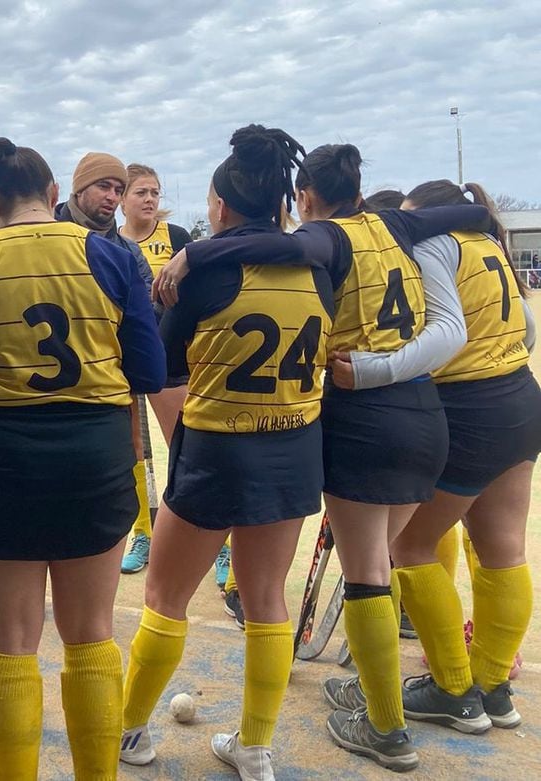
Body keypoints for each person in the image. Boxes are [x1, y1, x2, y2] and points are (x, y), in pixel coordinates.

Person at [155, 144, 490, 773]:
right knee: (388, 563)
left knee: (365, 572)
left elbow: (280, 248)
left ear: (305, 197)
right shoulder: (399, 222)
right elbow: (463, 220)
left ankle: (386, 726)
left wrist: (195, 251)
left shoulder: (323, 239)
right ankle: (431, 691)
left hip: (362, 413)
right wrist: (484, 218)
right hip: (426, 412)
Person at [0, 137, 165, 779]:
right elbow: (148, 369)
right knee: (90, 636)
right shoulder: (111, 260)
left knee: (10, 647)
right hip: (96, 460)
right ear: (55, 197)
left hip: (1, 465)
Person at [118, 125, 330, 781]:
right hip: (293, 447)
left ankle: (127, 731)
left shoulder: (204, 273)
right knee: (266, 596)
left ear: (217, 207)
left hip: (215, 450)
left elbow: (159, 365)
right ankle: (255, 746)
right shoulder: (320, 263)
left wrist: (184, 272)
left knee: (164, 594)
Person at [354, 180, 537, 734]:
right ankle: (493, 688)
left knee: (409, 546)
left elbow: (447, 335)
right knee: (503, 547)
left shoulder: (438, 244)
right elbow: (527, 329)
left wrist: (373, 369)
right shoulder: (487, 242)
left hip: (470, 409)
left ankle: (453, 688)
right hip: (520, 398)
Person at [54, 152, 159, 576]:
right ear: (79, 187)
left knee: (132, 455)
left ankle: (142, 533)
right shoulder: (47, 233)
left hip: (110, 377)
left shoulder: (126, 251)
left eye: (119, 189)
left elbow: (146, 311)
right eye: (105, 187)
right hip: (50, 384)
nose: (112, 197)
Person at [117, 163, 194, 575]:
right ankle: (143, 532)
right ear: (123, 200)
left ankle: (215, 539)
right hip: (123, 365)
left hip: (171, 362)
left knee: (184, 449)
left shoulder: (177, 239)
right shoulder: (108, 242)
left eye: (155, 192)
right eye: (141, 192)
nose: (149, 200)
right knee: (135, 455)